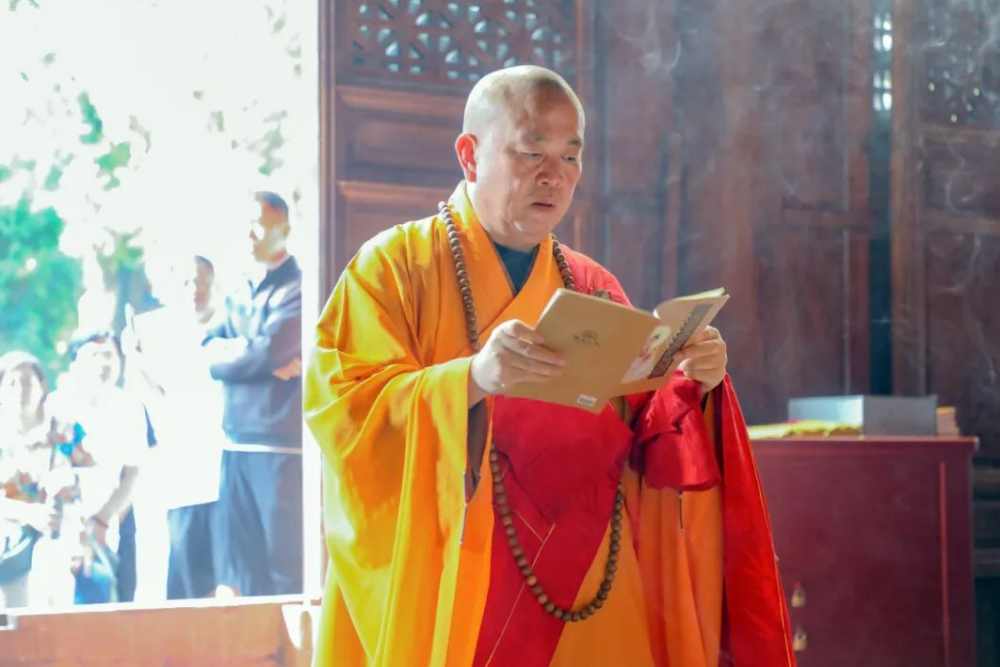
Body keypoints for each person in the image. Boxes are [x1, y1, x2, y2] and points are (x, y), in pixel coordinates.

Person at [305, 66, 795, 666]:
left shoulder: (591, 283)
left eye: (570, 157)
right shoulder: (393, 268)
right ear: (470, 155)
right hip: (463, 579)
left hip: (587, 574)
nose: (553, 175)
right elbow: (345, 410)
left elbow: (644, 434)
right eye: (531, 151)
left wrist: (693, 383)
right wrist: (470, 380)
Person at [203, 191, 303, 597]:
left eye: (259, 225)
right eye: (245, 225)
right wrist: (254, 358)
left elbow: (271, 349)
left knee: (285, 568)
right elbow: (207, 351)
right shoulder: (237, 291)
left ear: (285, 230)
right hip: (234, 444)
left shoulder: (299, 287)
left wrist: (251, 356)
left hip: (279, 448)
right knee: (240, 573)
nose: (249, 235)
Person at [124, 254, 226, 600]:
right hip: (181, 474)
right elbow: (150, 399)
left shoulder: (229, 327)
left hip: (227, 471)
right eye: (186, 282)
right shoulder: (155, 334)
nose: (195, 289)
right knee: (186, 573)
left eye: (202, 281)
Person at [48, 332, 148, 604]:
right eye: (94, 355)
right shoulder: (56, 406)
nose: (104, 363)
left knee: (119, 601)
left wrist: (103, 518)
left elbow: (132, 473)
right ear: (75, 363)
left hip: (115, 516)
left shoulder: (130, 406)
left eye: (110, 356)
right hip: (64, 520)